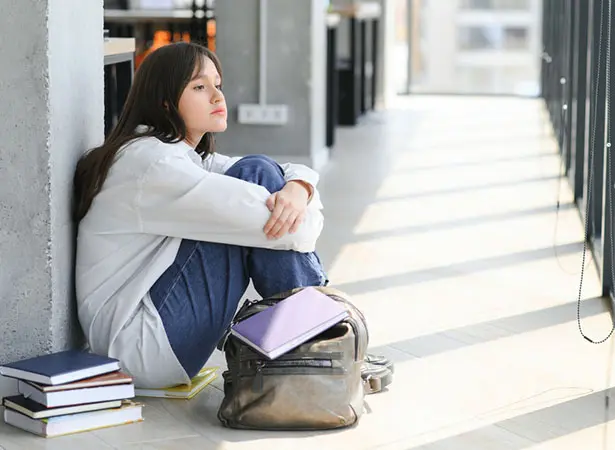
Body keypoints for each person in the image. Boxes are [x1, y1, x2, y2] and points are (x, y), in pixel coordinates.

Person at [74, 42, 391, 390]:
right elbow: (297, 233)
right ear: (164, 102)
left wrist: (299, 188)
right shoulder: (154, 165)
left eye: (217, 84)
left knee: (260, 173)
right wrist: (301, 207)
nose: (216, 97)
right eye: (199, 87)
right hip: (142, 347)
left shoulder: (173, 154)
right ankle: (322, 341)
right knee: (258, 176)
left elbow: (285, 173)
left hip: (151, 334)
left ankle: (318, 341)